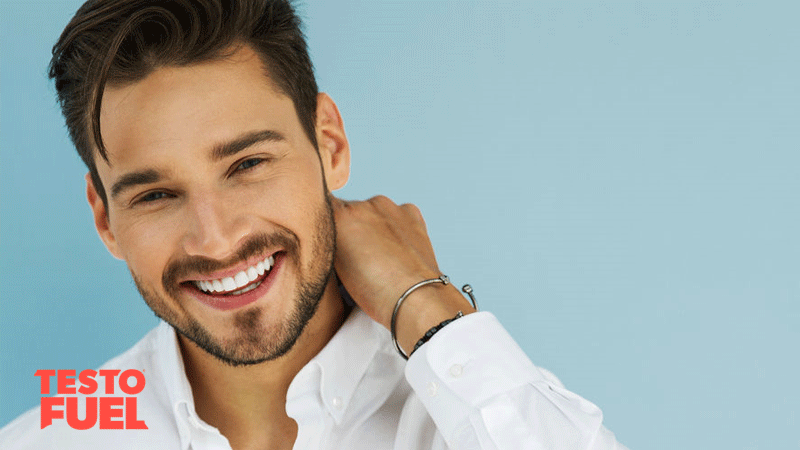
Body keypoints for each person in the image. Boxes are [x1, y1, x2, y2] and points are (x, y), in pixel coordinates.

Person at [0, 1, 627, 448]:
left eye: (247, 164)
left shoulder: (474, 415)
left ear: (328, 143)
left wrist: (430, 310)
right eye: (157, 195)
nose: (215, 239)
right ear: (104, 218)